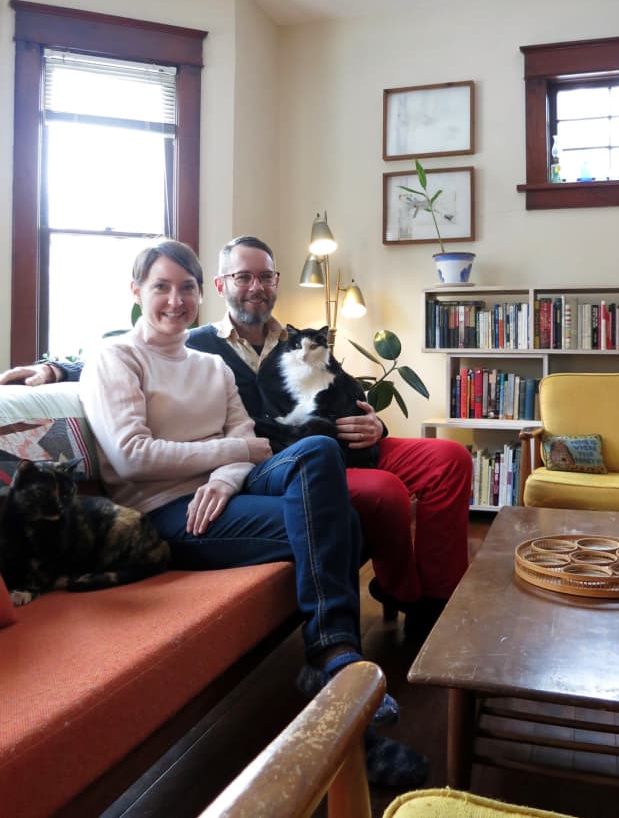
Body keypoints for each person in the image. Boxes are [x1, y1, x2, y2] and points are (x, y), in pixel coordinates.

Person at [73, 239, 428, 788]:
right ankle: (350, 706)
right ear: (136, 292)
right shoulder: (115, 358)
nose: (175, 300)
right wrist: (229, 457)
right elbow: (134, 458)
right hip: (168, 511)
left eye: (185, 287)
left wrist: (223, 472)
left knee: (318, 450)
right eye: (161, 287)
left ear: (200, 293)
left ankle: (330, 653)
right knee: (344, 526)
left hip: (222, 490)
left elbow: (249, 443)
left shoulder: (210, 364)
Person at [1, 235, 472, 639]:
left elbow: (340, 390)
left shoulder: (298, 337)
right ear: (223, 286)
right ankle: (403, 602)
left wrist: (376, 422)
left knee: (449, 457)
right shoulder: (201, 341)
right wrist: (55, 366)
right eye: (243, 277)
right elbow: (128, 352)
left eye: (265, 277)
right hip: (280, 459)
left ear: (275, 283)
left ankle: (442, 596)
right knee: (376, 491)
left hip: (327, 445)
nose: (255, 287)